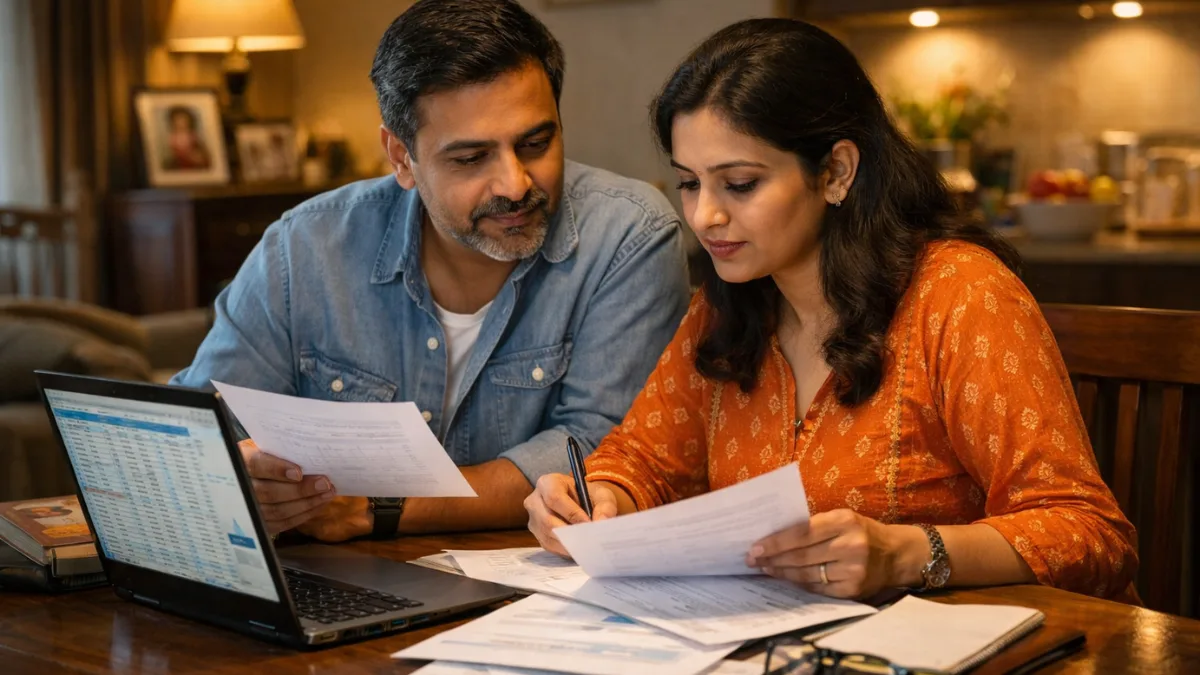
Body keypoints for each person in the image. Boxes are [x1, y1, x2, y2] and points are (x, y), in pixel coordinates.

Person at [525, 18, 1139, 603]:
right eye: (689, 183)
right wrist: (595, 498)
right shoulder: (730, 303)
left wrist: (908, 554)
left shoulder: (960, 294)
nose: (704, 216)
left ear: (837, 172)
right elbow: (642, 462)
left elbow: (1089, 532)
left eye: (738, 184)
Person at [172, 0, 690, 543]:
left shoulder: (628, 236)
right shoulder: (304, 248)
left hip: (530, 594)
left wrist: (379, 508)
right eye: (470, 158)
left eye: (536, 143)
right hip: (326, 582)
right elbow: (193, 428)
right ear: (400, 156)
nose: (515, 184)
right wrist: (246, 473)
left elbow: (604, 449)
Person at [163, 106, 211, 171]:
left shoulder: (192, 135)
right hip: (179, 162)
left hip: (192, 161)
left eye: (183, 120)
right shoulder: (173, 136)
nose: (181, 123)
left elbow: (198, 148)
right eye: (178, 120)